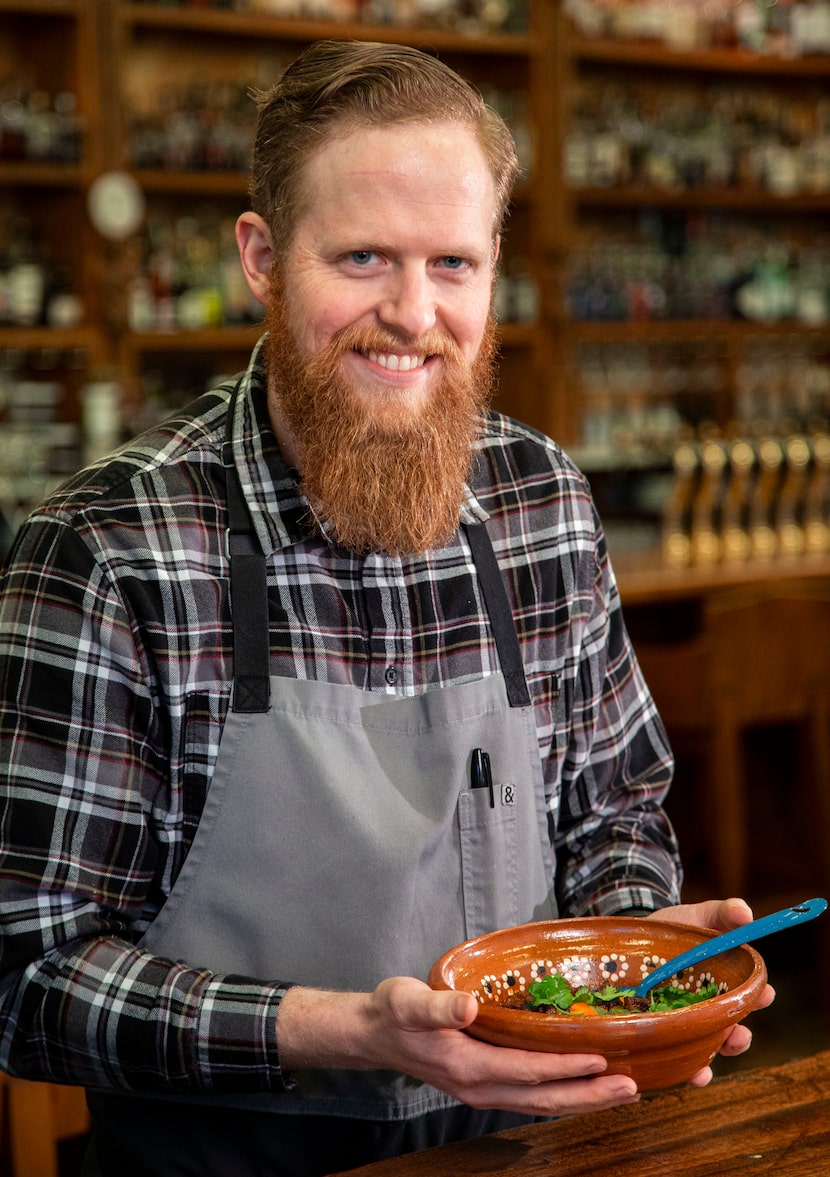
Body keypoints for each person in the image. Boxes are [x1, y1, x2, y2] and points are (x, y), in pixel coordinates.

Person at [0, 39, 771, 1177]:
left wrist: (626, 960)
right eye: (362, 257)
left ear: (495, 264)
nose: (412, 314)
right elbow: (25, 979)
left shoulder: (540, 500)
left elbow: (616, 816)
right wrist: (347, 1030)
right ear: (262, 257)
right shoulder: (109, 549)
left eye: (452, 264)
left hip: (541, 1148)